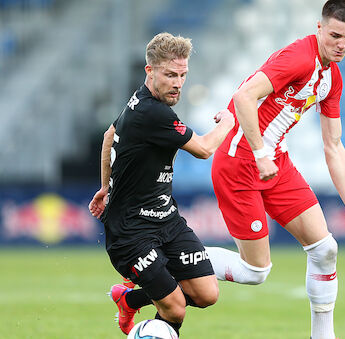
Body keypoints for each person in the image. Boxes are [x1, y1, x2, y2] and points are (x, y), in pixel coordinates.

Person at [206, 1, 345, 338]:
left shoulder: (332, 78)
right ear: (319, 28)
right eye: (335, 35)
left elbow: (333, 146)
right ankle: (166, 257)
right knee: (255, 272)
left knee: (326, 248)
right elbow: (243, 97)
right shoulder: (299, 57)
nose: (342, 44)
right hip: (240, 161)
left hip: (276, 161)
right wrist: (259, 153)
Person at [88, 32, 235, 335]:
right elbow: (205, 149)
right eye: (170, 74)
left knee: (207, 294)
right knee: (175, 307)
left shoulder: (140, 99)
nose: (178, 82)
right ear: (150, 71)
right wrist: (231, 121)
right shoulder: (152, 113)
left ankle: (130, 299)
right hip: (131, 232)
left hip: (166, 219)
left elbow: (108, 136)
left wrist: (105, 188)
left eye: (183, 75)